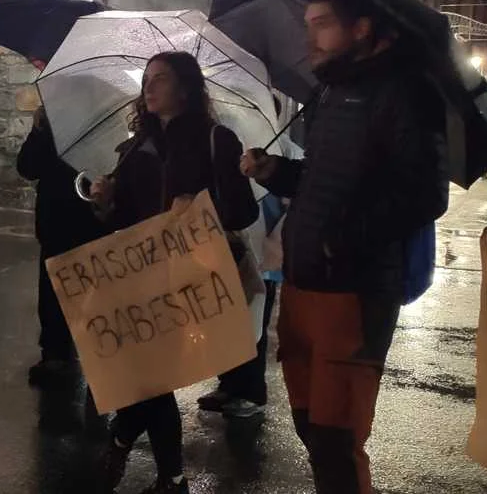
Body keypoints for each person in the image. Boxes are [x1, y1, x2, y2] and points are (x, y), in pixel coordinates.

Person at [239, 0, 448, 494]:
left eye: (323, 25)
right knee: (311, 427)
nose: (311, 38)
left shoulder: (404, 92)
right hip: (304, 282)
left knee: (337, 438)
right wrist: (274, 171)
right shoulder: (331, 92)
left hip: (354, 293)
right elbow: (321, 179)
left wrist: (345, 240)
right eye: (307, 25)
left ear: (362, 28)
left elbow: (425, 194)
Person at [91, 51, 258, 494]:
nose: (149, 87)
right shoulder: (134, 148)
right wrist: (105, 199)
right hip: (141, 278)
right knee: (150, 376)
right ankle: (167, 475)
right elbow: (122, 220)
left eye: (160, 79)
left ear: (185, 88)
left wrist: (200, 207)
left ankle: (138, 449)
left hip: (189, 277)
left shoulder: (216, 140)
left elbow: (243, 211)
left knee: (154, 376)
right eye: (146, 79)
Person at [15, 104, 106, 388]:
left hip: (90, 224)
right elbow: (27, 167)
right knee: (52, 292)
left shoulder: (102, 125)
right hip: (54, 224)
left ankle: (94, 355)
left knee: (89, 296)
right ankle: (55, 352)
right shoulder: (51, 125)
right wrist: (38, 130)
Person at [198, 193, 286, 417]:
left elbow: (289, 199)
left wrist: (278, 241)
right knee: (226, 322)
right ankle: (229, 385)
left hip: (261, 248)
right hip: (228, 247)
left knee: (253, 324)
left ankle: (252, 393)